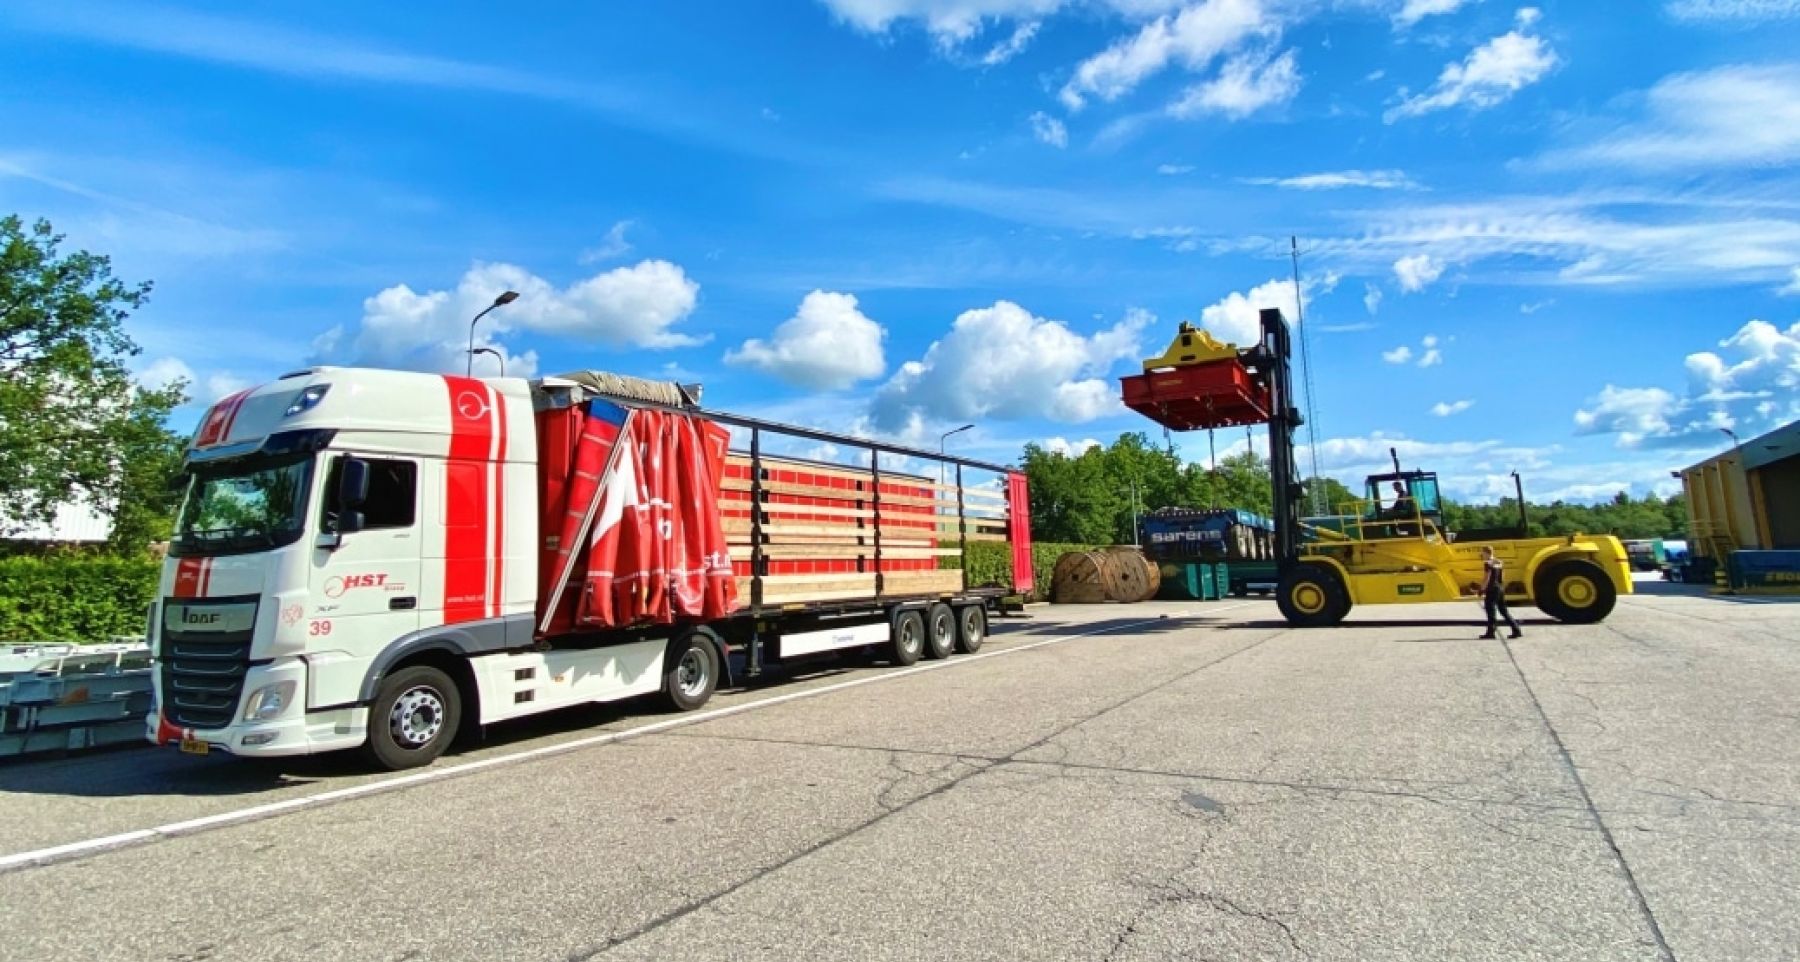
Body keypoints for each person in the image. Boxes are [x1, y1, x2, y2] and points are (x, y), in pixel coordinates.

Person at [1478, 545, 1522, 639]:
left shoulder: (1488, 563)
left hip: (1492, 589)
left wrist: (1482, 589)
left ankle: (1491, 633)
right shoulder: (1499, 562)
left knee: (1490, 610)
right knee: (1503, 610)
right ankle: (1516, 629)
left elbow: (1487, 578)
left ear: (1486, 553)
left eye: (1482, 552)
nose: (1481, 554)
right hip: (1500, 588)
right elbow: (1502, 576)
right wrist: (1501, 586)